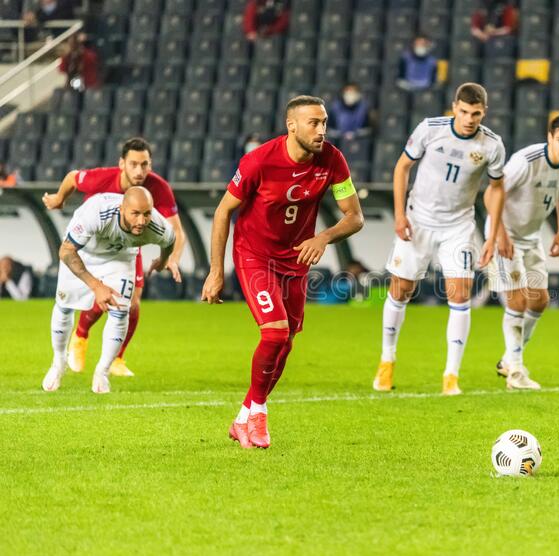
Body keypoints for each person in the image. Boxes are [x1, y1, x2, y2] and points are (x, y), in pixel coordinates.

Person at [201, 95, 364, 449]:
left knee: (286, 343)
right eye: (314, 123)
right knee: (274, 335)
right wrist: (216, 271)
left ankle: (243, 418)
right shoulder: (258, 161)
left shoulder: (333, 160)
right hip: (254, 256)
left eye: (323, 122)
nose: (322, 130)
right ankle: (258, 417)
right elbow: (223, 211)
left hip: (295, 263)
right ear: (292, 126)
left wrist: (324, 237)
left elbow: (355, 216)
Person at [373, 82, 510, 396]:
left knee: (460, 296)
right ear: (454, 107)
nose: (469, 119)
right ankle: (387, 359)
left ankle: (451, 375)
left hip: (458, 226)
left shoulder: (492, 145)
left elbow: (498, 188)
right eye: (463, 112)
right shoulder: (430, 130)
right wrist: (399, 215)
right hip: (418, 219)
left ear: (484, 112)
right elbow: (402, 167)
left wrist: (491, 234)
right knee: (401, 289)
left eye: (476, 113)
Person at [41, 138, 186, 378]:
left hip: (126, 245)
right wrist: (59, 198)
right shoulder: (102, 178)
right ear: (122, 164)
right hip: (90, 244)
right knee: (78, 299)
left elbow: (174, 231)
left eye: (145, 164)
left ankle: (117, 358)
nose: (139, 171)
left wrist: (171, 259)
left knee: (131, 302)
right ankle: (81, 335)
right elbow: (73, 177)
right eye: (134, 164)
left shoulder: (158, 188)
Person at [41, 188, 176, 394]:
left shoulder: (157, 227)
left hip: (119, 258)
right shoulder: (97, 212)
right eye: (135, 214)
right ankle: (58, 362)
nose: (141, 221)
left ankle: (102, 372)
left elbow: (169, 241)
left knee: (122, 310)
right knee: (64, 306)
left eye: (146, 214)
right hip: (82, 253)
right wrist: (96, 285)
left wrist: (162, 261)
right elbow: (65, 251)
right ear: (122, 209)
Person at [485, 115, 559, 390]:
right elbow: (491, 194)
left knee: (539, 301)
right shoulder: (525, 161)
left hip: (532, 237)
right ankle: (516, 371)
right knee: (517, 301)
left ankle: (508, 358)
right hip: (503, 233)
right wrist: (500, 236)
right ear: (550, 138)